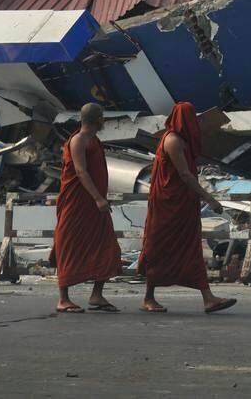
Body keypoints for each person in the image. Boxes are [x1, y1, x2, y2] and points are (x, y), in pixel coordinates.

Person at [137, 102, 237, 314]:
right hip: (168, 206)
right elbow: (184, 174)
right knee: (159, 248)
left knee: (190, 249)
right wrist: (210, 199)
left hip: (182, 205)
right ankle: (148, 297)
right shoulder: (173, 140)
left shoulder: (183, 141)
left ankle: (208, 298)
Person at [52, 103, 124, 313]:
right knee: (68, 245)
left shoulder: (94, 140)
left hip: (94, 204)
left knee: (107, 244)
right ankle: (63, 298)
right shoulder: (78, 140)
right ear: (97, 120)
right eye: (102, 117)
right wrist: (98, 199)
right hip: (78, 203)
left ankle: (97, 295)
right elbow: (81, 172)